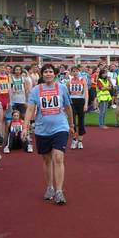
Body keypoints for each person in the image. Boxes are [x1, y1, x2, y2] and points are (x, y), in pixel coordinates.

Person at [22, 64, 74, 205]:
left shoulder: (62, 88)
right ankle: (49, 187)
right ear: (42, 74)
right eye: (46, 72)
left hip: (60, 127)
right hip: (42, 129)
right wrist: (25, 126)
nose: (48, 74)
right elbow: (31, 109)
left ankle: (59, 191)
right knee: (47, 159)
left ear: (55, 74)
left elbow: (68, 107)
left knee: (58, 157)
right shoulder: (36, 90)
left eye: (51, 71)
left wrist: (71, 124)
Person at [68, 66, 88, 149]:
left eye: (77, 71)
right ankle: (74, 139)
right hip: (72, 102)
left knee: (81, 122)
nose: (75, 72)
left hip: (81, 102)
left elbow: (86, 92)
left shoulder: (82, 80)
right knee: (72, 122)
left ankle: (80, 141)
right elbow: (67, 92)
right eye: (74, 71)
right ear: (71, 72)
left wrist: (86, 104)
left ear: (79, 72)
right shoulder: (69, 80)